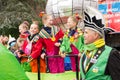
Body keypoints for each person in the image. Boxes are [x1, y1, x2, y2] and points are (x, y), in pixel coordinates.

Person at [80, 6, 120, 80]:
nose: (83, 35)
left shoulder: (111, 53)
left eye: (86, 33)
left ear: (96, 35)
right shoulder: (84, 54)